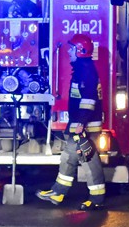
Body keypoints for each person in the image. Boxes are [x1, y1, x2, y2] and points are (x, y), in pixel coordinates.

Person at [36, 34, 106, 210]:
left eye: (71, 48)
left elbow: (89, 100)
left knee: (89, 160)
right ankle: (58, 192)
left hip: (86, 126)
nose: (68, 51)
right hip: (79, 124)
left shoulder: (86, 71)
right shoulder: (83, 69)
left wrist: (81, 123)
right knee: (68, 157)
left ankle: (96, 199)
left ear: (80, 50)